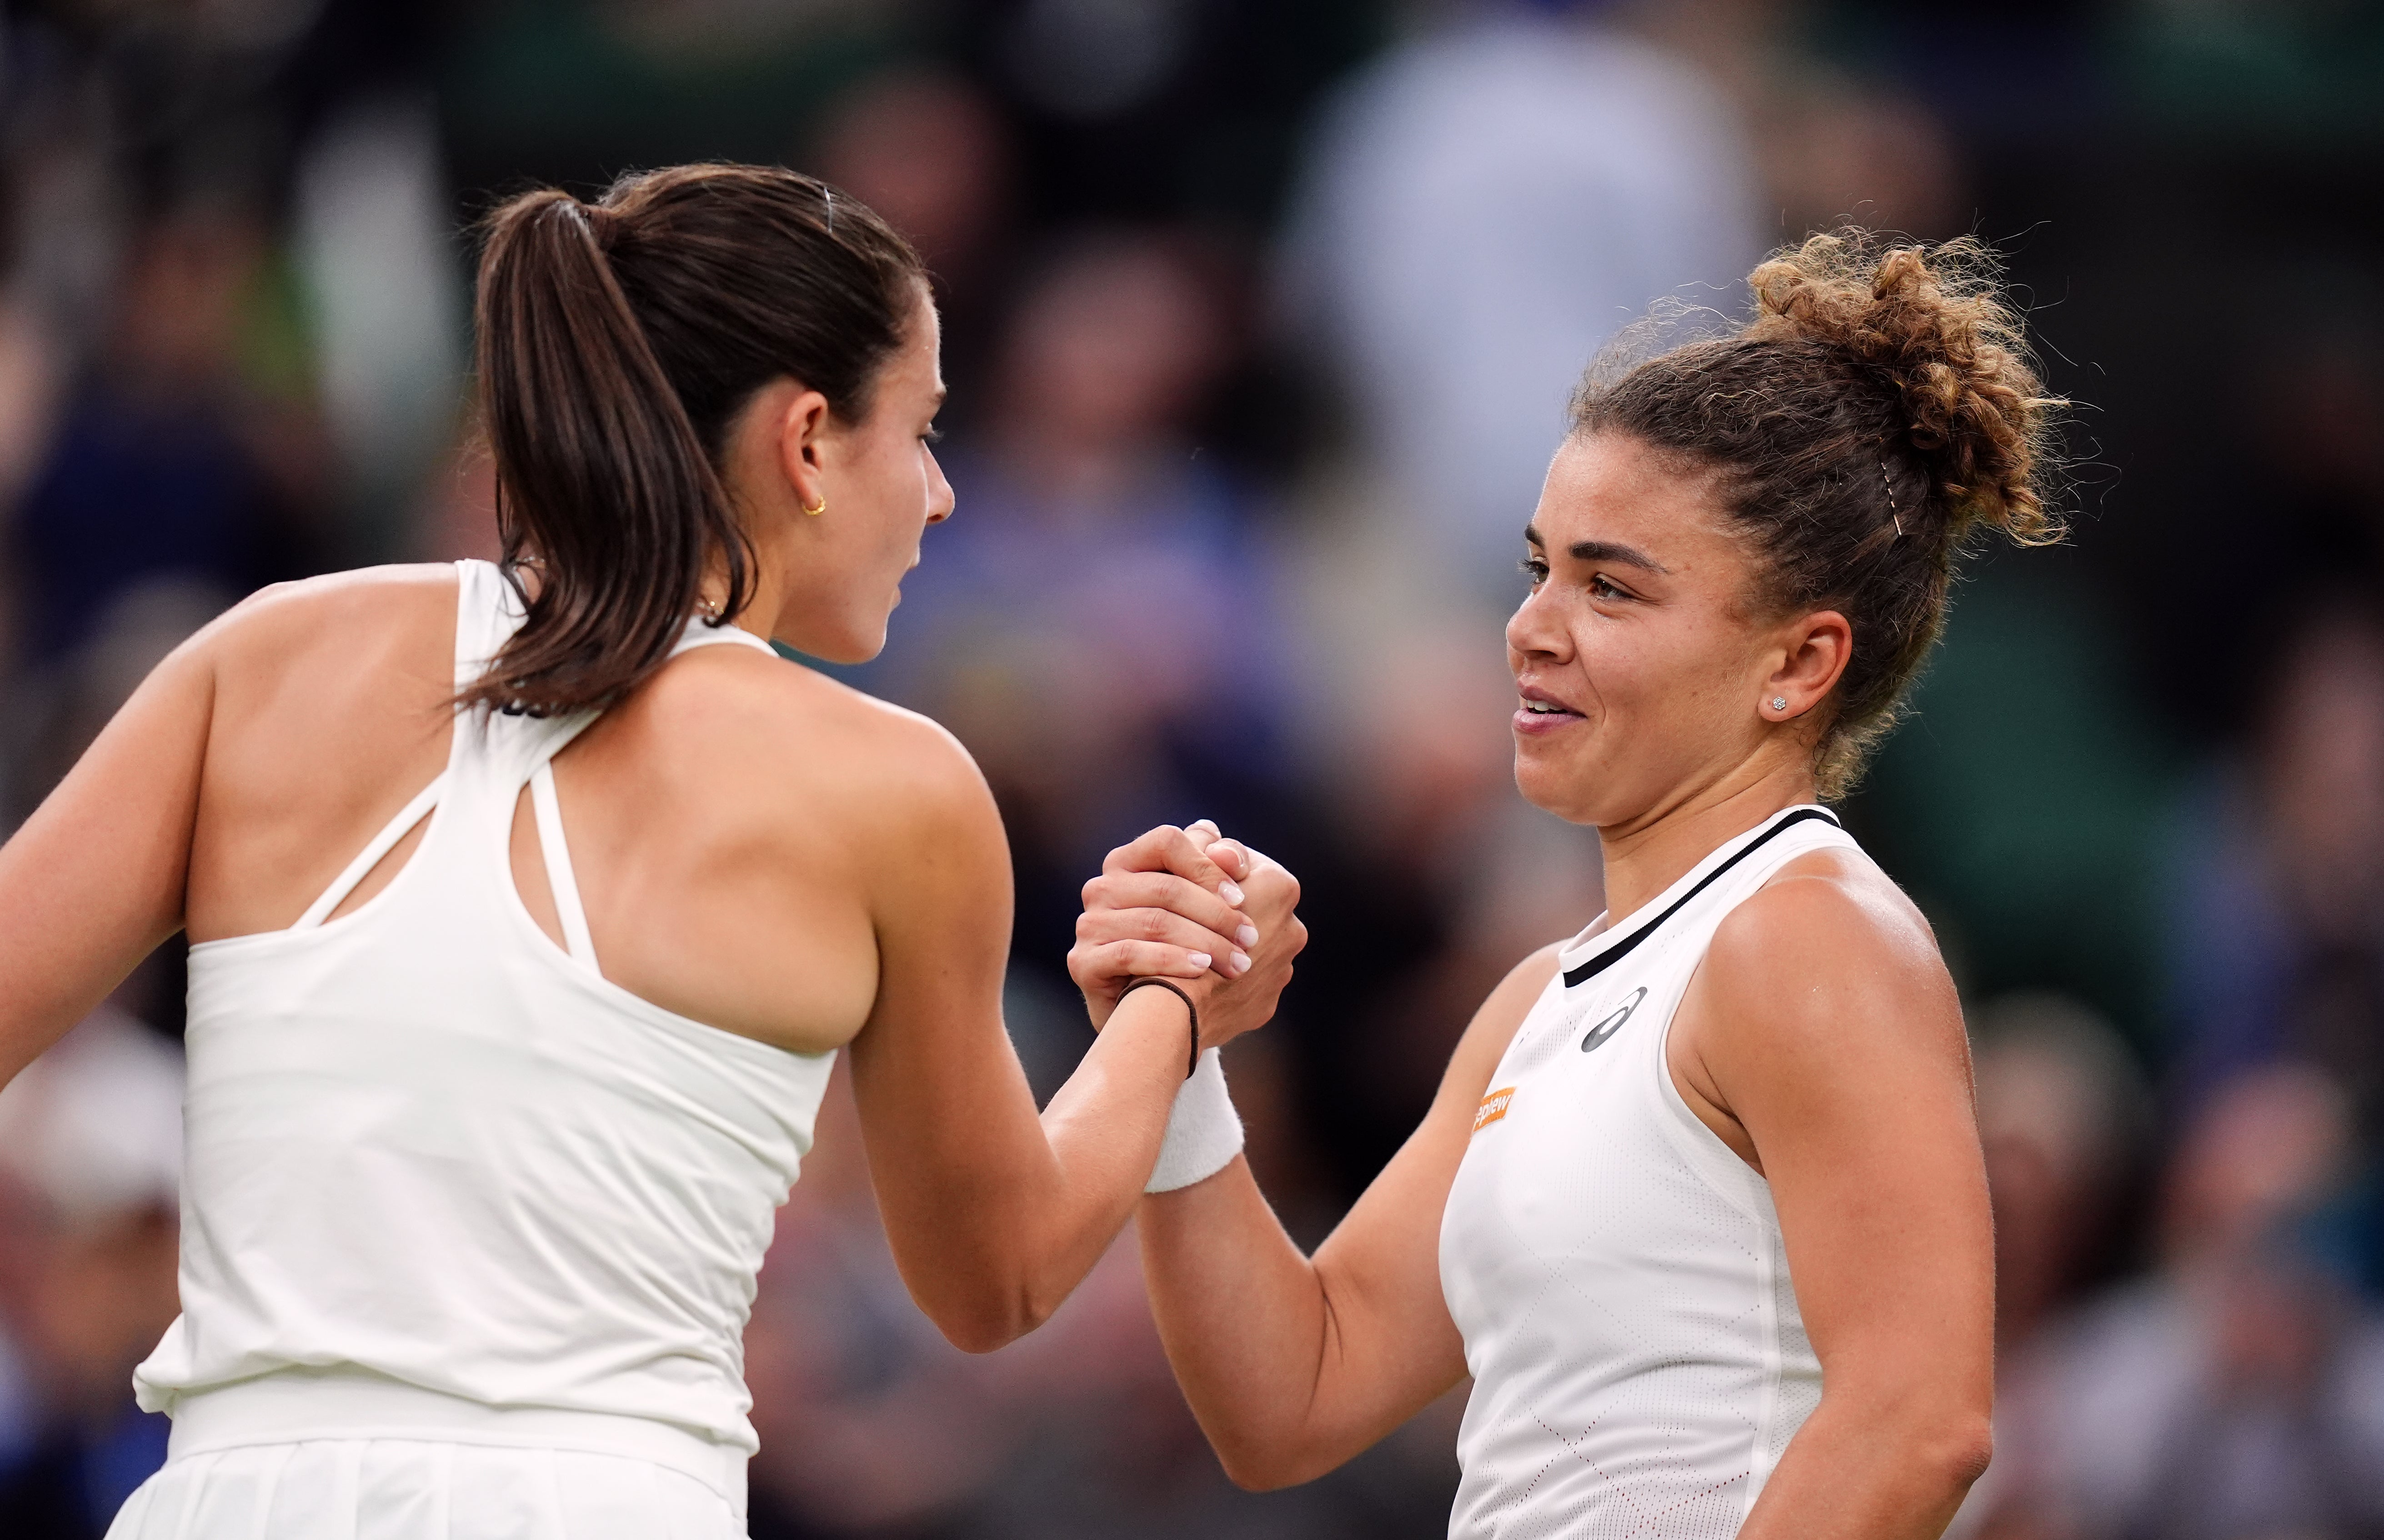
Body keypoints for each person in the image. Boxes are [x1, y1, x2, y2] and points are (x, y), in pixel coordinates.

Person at [0, 163, 1299, 1539]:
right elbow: (998, 1280)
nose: (939, 495)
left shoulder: (260, 658)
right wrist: (1177, 999)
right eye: (921, 432)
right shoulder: (894, 783)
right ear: (806, 442)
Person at [1079, 231, 2061, 1537]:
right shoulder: (1539, 996)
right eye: (1539, 565)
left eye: (1611, 586)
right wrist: (1178, 1055)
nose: (1531, 626)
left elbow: (1919, 1419)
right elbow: (1293, 1395)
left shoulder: (1809, 939)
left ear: (1797, 662)